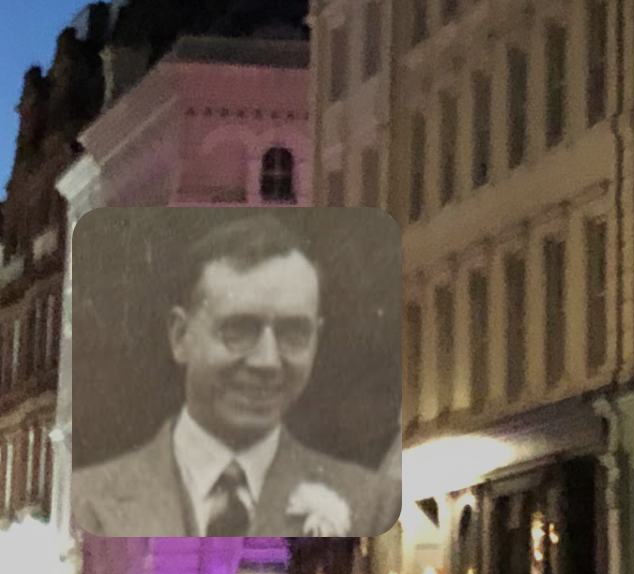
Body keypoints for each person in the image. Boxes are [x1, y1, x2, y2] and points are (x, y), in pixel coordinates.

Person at [73, 214, 400, 537]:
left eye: (293, 333)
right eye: (239, 330)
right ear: (181, 336)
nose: (267, 361)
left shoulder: (373, 507)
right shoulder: (87, 502)